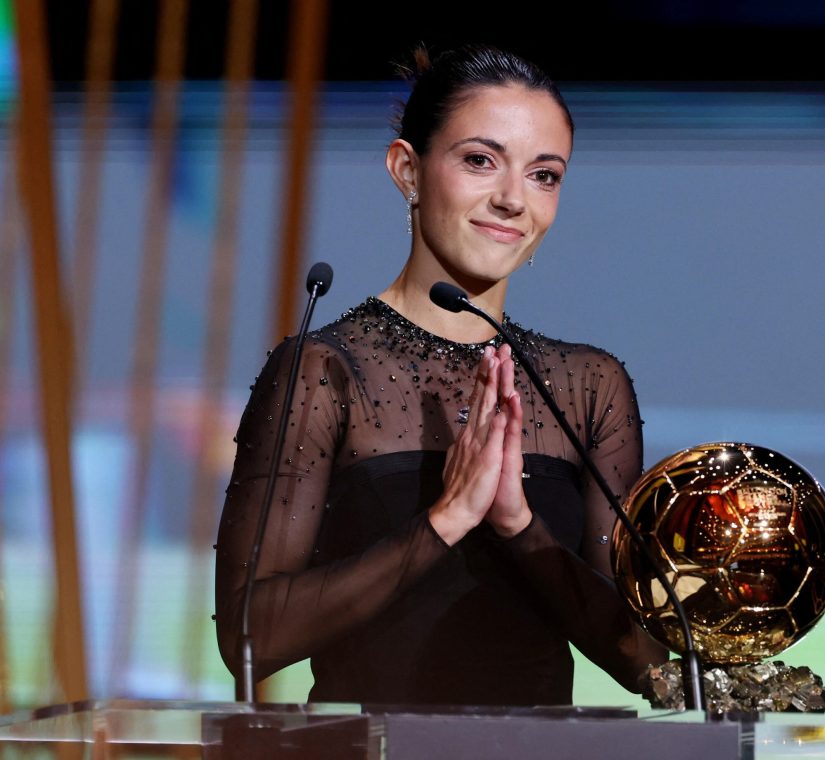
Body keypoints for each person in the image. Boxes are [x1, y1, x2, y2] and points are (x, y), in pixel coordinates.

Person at [214, 44, 665, 706]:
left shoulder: (587, 386)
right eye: (480, 161)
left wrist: (516, 525)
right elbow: (250, 636)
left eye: (544, 175)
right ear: (408, 170)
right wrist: (446, 521)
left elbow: (645, 655)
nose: (514, 199)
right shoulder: (324, 372)